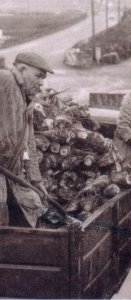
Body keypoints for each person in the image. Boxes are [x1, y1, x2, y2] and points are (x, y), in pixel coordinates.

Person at [0, 52, 54, 227]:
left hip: (13, 172)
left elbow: (28, 143)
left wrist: (36, 179)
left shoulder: (27, 100)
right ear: (22, 69)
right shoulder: (6, 79)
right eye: (38, 76)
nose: (41, 83)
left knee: (33, 203)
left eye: (43, 78)